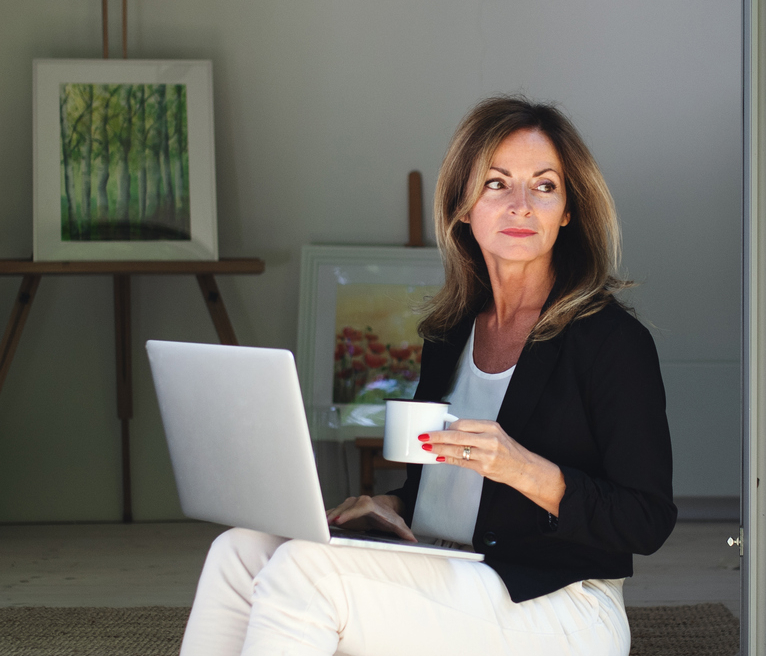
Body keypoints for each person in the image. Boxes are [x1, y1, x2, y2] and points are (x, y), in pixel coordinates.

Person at [178, 96, 676, 656]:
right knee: (239, 550)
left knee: (306, 571)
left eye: (543, 186)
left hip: (559, 602)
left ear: (567, 210)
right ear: (463, 206)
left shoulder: (609, 341)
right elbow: (444, 487)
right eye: (495, 184)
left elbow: (647, 519)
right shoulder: (451, 333)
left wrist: (526, 470)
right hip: (454, 566)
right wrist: (390, 507)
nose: (520, 205)